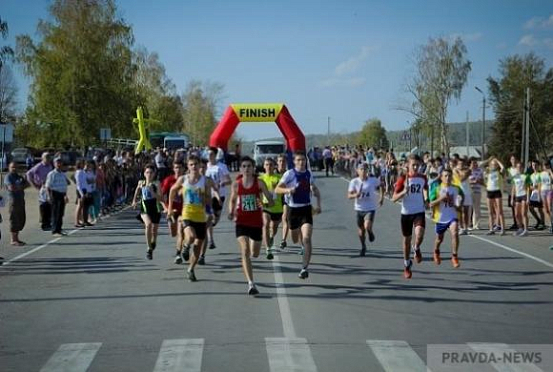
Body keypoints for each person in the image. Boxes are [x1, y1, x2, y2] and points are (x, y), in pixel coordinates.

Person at [228, 156, 274, 295]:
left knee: (255, 253)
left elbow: (270, 202)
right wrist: (231, 212)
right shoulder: (236, 184)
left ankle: (251, 277)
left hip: (256, 222)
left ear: (253, 168)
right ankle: (251, 283)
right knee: (245, 250)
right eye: (244, 166)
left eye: (249, 166)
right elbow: (232, 200)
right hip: (241, 221)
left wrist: (264, 204)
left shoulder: (259, 183)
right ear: (240, 169)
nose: (246, 169)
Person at [275, 151, 322, 279]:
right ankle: (298, 236)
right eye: (299, 160)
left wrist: (318, 204)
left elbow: (315, 189)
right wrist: (288, 190)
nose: (301, 162)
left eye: (303, 160)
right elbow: (277, 189)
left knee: (307, 238)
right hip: (292, 210)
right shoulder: (289, 174)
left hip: (306, 209)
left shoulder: (308, 174)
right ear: (295, 162)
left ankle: (304, 268)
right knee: (295, 239)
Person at [169, 155, 214, 282]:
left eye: (196, 164)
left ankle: (191, 268)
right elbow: (172, 191)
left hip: (200, 216)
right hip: (187, 214)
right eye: (191, 164)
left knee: (198, 245)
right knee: (191, 236)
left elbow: (209, 200)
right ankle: (185, 247)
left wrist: (203, 197)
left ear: (200, 165)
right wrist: (169, 209)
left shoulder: (205, 181)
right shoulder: (183, 179)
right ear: (188, 167)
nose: (194, 167)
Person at [392, 154, 428, 279]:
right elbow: (394, 198)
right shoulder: (403, 179)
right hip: (406, 213)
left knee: (419, 234)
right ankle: (407, 264)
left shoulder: (423, 177)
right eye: (414, 165)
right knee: (406, 241)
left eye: (418, 165)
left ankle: (417, 248)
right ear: (408, 165)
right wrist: (404, 191)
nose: (416, 167)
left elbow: (425, 188)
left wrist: (427, 199)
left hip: (419, 211)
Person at [347, 162, 384, 256]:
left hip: (370, 208)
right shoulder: (354, 182)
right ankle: (363, 246)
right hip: (359, 208)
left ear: (368, 171)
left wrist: (381, 197)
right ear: (357, 171)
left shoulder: (372, 180)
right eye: (361, 169)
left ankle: (370, 232)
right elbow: (349, 195)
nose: (363, 171)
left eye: (365, 169)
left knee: (367, 225)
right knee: (361, 230)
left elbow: (381, 185)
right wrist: (356, 195)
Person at [429, 169, 463, 268]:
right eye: (445, 176)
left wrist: (456, 204)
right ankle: (436, 251)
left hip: (453, 216)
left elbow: (459, 205)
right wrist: (441, 198)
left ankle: (454, 256)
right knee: (439, 239)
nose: (448, 178)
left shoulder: (457, 189)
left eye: (449, 176)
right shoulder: (437, 189)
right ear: (441, 177)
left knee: (455, 232)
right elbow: (431, 204)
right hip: (441, 217)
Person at [132, 164, 162, 260]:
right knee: (148, 225)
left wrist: (153, 192)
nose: (149, 174)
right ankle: (149, 248)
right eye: (147, 172)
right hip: (145, 208)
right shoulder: (141, 182)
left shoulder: (156, 183)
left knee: (154, 230)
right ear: (144, 173)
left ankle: (153, 241)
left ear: (154, 174)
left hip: (155, 207)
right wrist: (134, 201)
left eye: (151, 172)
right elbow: (137, 191)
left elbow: (160, 197)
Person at [205, 147, 232, 250]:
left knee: (216, 218)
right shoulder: (204, 167)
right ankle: (211, 240)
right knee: (209, 217)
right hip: (208, 195)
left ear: (215, 155)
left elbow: (229, 181)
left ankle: (211, 225)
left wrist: (223, 182)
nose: (209, 156)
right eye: (208, 154)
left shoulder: (221, 167)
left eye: (211, 154)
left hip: (220, 195)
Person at [161, 161, 186, 264]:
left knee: (181, 232)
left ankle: (178, 254)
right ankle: (183, 245)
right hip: (171, 210)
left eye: (180, 167)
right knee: (173, 233)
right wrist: (166, 208)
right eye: (176, 167)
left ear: (183, 169)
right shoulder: (169, 180)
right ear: (173, 169)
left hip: (184, 210)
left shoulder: (187, 180)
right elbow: (161, 196)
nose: (178, 170)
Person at [259, 158, 284, 260]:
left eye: (270, 165)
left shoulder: (279, 177)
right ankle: (268, 249)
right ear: (264, 166)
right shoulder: (260, 179)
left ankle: (271, 237)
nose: (269, 167)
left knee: (273, 228)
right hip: (265, 206)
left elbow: (283, 192)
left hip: (277, 208)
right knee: (265, 225)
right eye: (266, 164)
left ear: (274, 166)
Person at [4, 162, 30, 246]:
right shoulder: (8, 177)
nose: (14, 169)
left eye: (15, 167)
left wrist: (19, 186)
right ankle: (13, 239)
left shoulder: (19, 177)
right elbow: (11, 187)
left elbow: (27, 184)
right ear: (9, 168)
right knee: (14, 219)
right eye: (12, 167)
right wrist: (20, 186)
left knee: (20, 219)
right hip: (13, 201)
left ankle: (17, 238)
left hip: (21, 200)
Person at [26, 152, 53, 230]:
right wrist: (34, 184)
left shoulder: (50, 166)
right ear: (42, 158)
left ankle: (48, 222)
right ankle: (43, 223)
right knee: (43, 205)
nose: (48, 159)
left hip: (49, 187)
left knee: (49, 205)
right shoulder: (39, 166)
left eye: (49, 157)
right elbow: (28, 174)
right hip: (42, 187)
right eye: (46, 157)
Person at [45, 157, 70, 236]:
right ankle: (55, 230)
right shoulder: (52, 174)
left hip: (62, 194)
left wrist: (65, 195)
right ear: (54, 164)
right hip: (55, 194)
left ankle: (59, 229)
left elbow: (65, 185)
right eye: (57, 163)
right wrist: (49, 196)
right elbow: (48, 186)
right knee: (55, 212)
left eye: (60, 162)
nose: (59, 164)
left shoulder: (62, 173)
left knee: (61, 213)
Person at [483, 157, 506, 235]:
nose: (494, 165)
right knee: (490, 212)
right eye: (493, 164)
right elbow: (480, 165)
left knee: (500, 211)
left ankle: (502, 229)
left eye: (495, 164)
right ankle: (491, 229)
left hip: (497, 191)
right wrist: (489, 160)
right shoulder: (487, 172)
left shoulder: (499, 172)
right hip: (489, 191)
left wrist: (497, 160)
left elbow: (503, 167)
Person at [510, 162, 530, 237]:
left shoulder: (526, 176)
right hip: (517, 196)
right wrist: (512, 198)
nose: (519, 168)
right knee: (516, 214)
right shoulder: (515, 177)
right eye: (517, 167)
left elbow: (528, 188)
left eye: (520, 167)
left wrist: (528, 198)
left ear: (523, 168)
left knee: (523, 213)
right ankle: (520, 228)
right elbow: (513, 188)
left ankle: (526, 230)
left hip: (524, 195)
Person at [276, 154, 290, 249]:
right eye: (280, 161)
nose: (282, 163)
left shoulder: (289, 174)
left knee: (285, 218)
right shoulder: (273, 173)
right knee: (275, 223)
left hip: (285, 199)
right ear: (277, 162)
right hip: (275, 201)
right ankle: (271, 235)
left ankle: (283, 240)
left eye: (283, 161)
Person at [528, 161, 545, 230]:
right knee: (530, 208)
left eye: (535, 165)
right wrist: (532, 187)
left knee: (540, 209)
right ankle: (538, 220)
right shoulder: (531, 175)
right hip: (533, 194)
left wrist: (538, 187)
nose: (534, 166)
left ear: (538, 166)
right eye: (533, 165)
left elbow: (543, 184)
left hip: (540, 194)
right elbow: (530, 186)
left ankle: (542, 223)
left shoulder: (541, 174)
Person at [468, 158, 484, 230]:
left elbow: (482, 181)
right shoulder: (467, 171)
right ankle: (468, 224)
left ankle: (476, 224)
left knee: (477, 209)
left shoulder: (480, 171)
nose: (475, 164)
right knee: (469, 209)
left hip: (477, 191)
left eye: (475, 163)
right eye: (473, 163)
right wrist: (472, 182)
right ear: (470, 164)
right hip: (469, 191)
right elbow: (465, 181)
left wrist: (479, 181)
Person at [539, 160, 553, 233]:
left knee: (550, 208)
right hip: (542, 191)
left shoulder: (551, 173)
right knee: (546, 209)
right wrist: (538, 193)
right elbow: (539, 184)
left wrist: (550, 172)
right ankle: (550, 225)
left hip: (549, 190)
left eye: (547, 165)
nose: (545, 166)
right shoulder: (541, 174)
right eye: (544, 165)